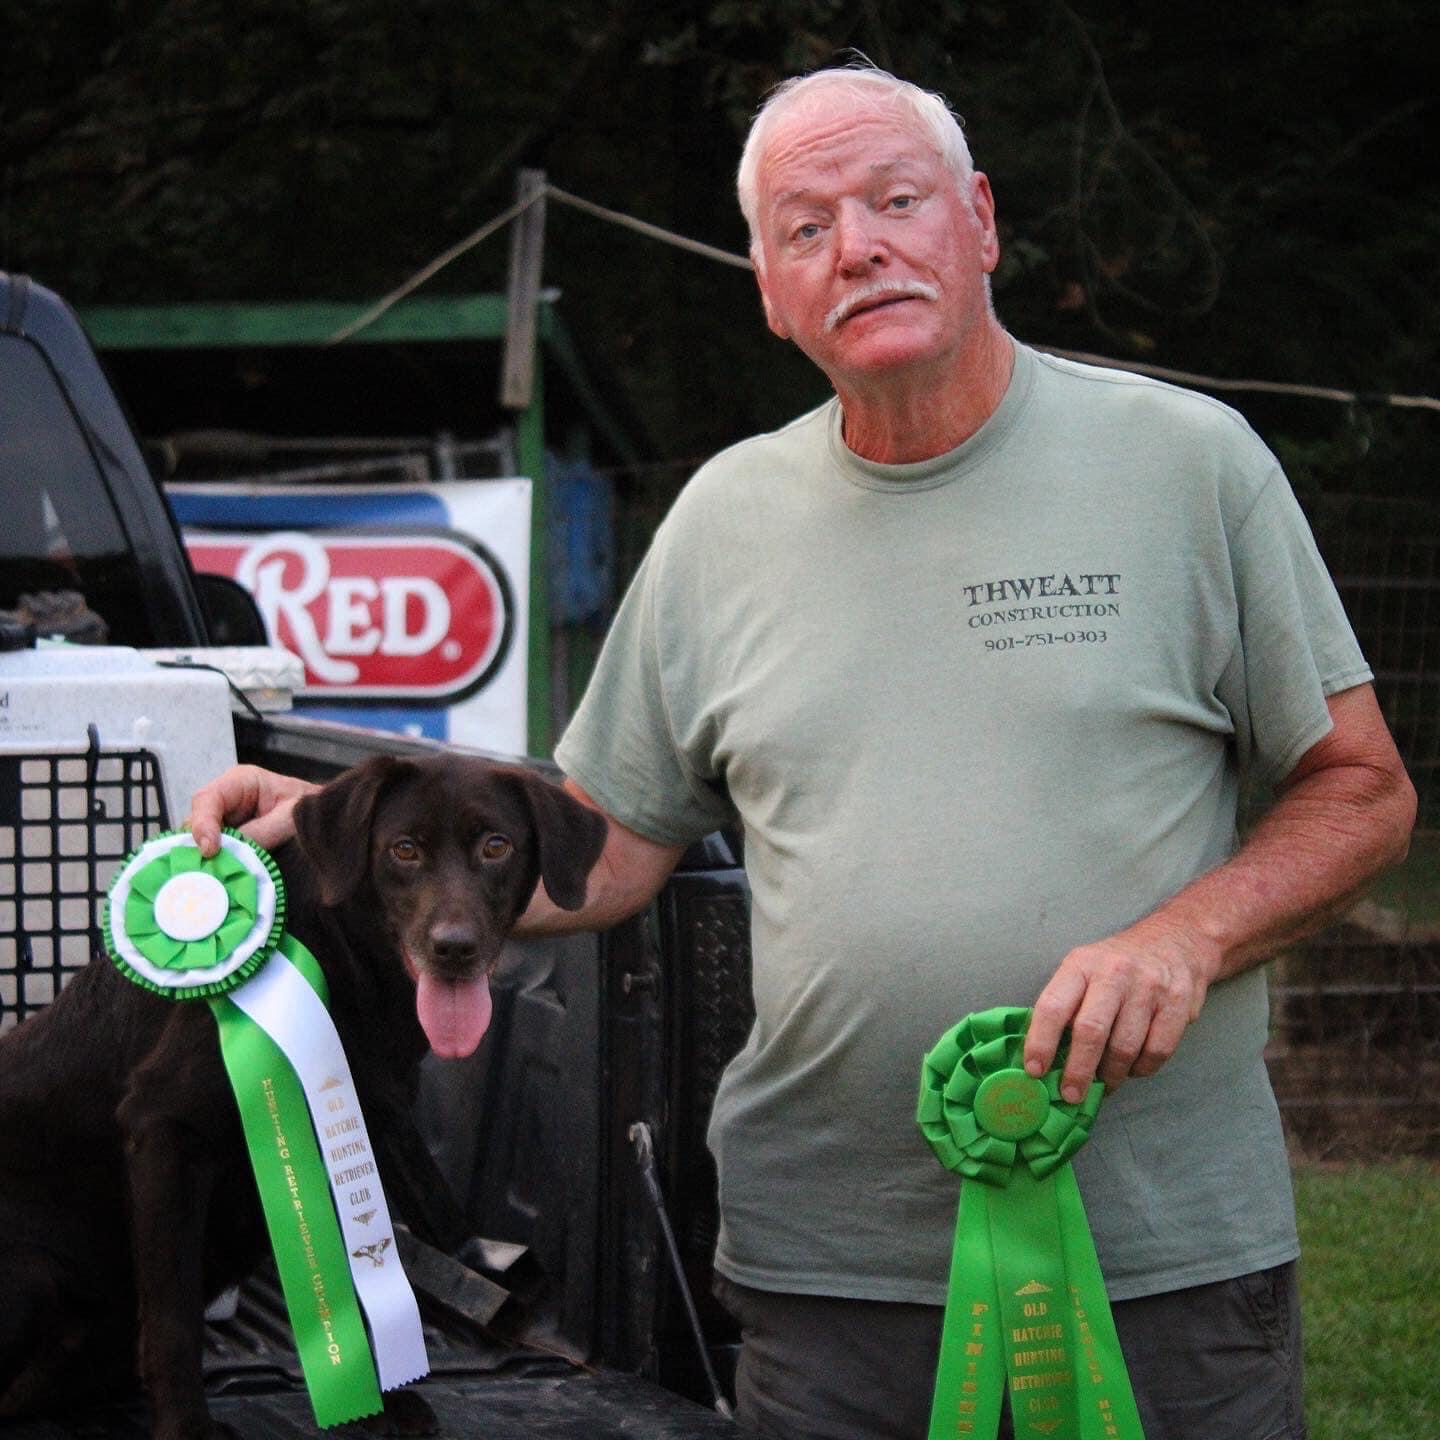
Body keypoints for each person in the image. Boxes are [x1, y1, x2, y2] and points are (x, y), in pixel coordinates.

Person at [192, 64, 1416, 1440]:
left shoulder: (1192, 465)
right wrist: (344, 828)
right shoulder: (724, 523)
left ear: (982, 222)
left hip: (1162, 1261)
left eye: (897, 201)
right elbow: (597, 846)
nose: (862, 247)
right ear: (772, 291)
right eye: (807, 227)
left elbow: (1361, 790)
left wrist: (1182, 942)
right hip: (831, 1285)